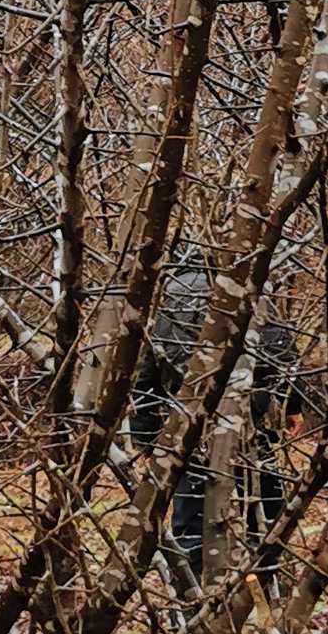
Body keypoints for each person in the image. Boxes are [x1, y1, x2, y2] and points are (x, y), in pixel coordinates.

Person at [125, 244, 305, 584]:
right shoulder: (246, 287)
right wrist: (292, 406)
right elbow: (282, 350)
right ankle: (271, 579)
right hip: (249, 414)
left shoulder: (170, 299)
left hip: (189, 421)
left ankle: (194, 594)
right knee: (264, 499)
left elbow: (147, 374)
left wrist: (145, 437)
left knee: (191, 514)